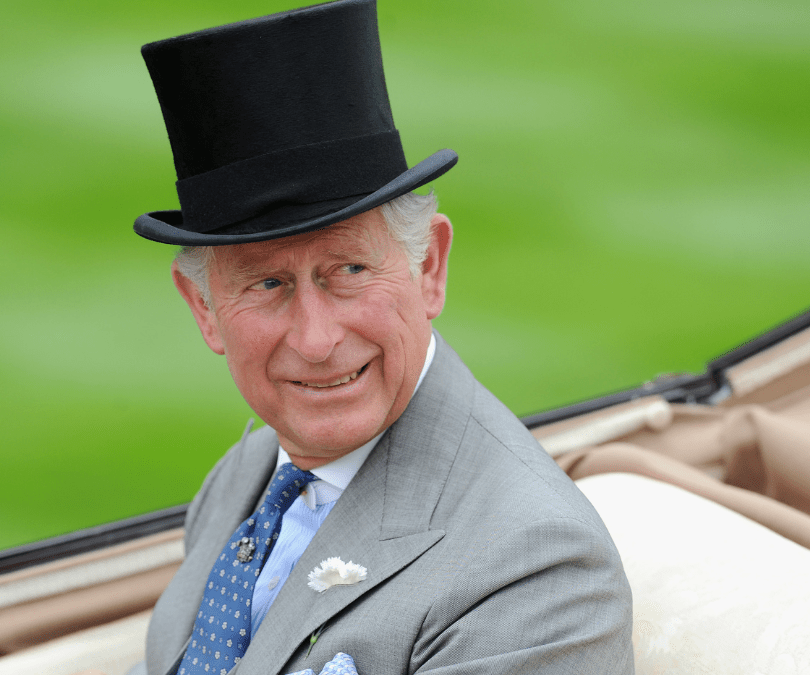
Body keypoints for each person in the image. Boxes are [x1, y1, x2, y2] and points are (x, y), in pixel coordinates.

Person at [131, 1, 634, 673]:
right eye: (267, 284)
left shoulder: (537, 568)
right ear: (203, 307)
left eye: (349, 270)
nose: (315, 339)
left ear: (429, 266)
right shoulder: (246, 475)